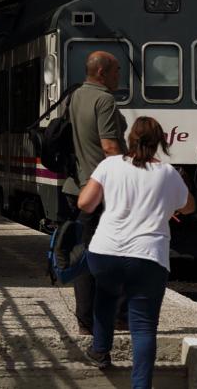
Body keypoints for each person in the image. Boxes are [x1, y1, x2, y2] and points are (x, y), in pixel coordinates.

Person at [77, 117, 193, 388]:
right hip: (148, 257)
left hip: (105, 252)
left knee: (105, 297)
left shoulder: (109, 165)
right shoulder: (167, 173)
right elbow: (188, 207)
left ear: (129, 139)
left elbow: (85, 203)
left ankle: (100, 351)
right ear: (160, 143)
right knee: (143, 326)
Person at [64, 51, 127, 335]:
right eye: (116, 71)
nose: (119, 76)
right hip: (103, 189)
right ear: (101, 72)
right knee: (119, 254)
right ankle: (115, 318)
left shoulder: (76, 96)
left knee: (86, 253)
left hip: (78, 185)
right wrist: (132, 173)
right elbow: (110, 147)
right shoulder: (105, 100)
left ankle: (85, 320)